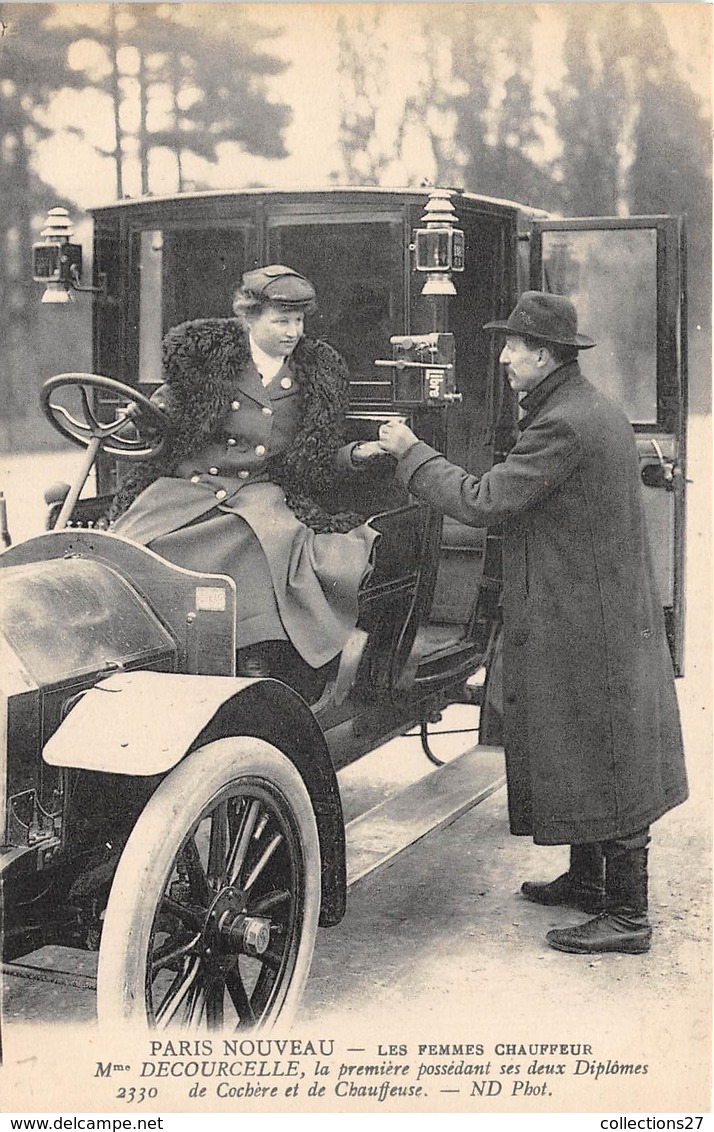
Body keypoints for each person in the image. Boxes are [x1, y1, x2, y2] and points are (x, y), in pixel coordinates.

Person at [377, 291, 688, 955]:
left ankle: (628, 916)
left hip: (587, 619)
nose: (504, 357)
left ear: (544, 355)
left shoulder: (564, 424)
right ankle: (589, 882)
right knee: (582, 737)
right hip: (592, 611)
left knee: (608, 749)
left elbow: (484, 501)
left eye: (514, 346)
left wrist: (411, 452)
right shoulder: (578, 407)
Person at [111, 264, 385, 691]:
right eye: (281, 321)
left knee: (259, 547)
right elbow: (158, 416)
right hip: (190, 488)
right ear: (249, 319)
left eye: (298, 321)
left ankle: (251, 651)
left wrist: (357, 454)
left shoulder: (313, 377)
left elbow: (316, 451)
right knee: (134, 548)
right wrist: (135, 422)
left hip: (258, 496)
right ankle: (144, 651)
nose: (293, 332)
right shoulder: (207, 366)